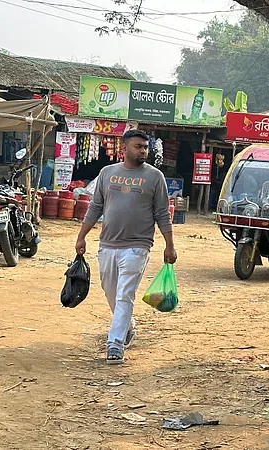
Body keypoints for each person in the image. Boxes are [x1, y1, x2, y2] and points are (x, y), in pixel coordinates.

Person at [76, 129, 177, 365]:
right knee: (110, 290)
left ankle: (115, 343)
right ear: (125, 149)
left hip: (138, 246)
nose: (143, 150)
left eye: (145, 147)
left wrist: (169, 245)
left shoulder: (155, 177)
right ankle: (127, 326)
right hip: (108, 243)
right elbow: (95, 208)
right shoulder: (107, 173)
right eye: (138, 146)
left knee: (124, 294)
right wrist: (81, 236)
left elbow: (162, 214)